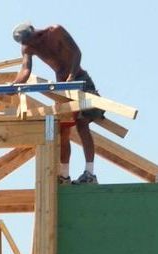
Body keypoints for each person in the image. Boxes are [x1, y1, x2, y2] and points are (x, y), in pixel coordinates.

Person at [11, 23, 104, 184]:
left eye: (31, 41)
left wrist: (72, 75)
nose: (31, 45)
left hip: (79, 79)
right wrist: (14, 86)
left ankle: (89, 173)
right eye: (27, 43)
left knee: (82, 123)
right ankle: (64, 176)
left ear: (35, 34)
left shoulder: (55, 32)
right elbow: (26, 70)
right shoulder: (28, 47)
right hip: (62, 86)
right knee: (63, 129)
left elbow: (76, 53)